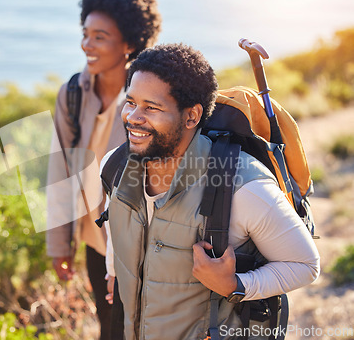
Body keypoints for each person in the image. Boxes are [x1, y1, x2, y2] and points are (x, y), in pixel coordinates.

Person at [102, 43, 320, 339]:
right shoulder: (115, 165)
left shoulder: (243, 185)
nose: (133, 117)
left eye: (151, 107)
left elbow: (305, 264)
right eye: (131, 103)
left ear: (191, 117)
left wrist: (234, 285)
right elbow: (120, 218)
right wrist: (115, 269)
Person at [45, 0, 161, 339]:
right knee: (109, 328)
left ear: (129, 43)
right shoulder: (74, 94)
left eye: (100, 37)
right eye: (85, 34)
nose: (87, 45)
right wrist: (59, 245)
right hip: (96, 241)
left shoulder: (151, 97)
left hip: (141, 243)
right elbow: (60, 169)